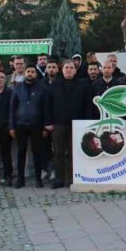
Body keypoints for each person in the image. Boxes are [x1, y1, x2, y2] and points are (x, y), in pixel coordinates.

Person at [46, 60, 87, 189]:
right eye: (66, 67)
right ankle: (59, 178)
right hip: (58, 124)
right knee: (58, 153)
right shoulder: (54, 85)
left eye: (71, 68)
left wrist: (85, 123)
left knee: (73, 152)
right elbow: (47, 105)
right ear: (61, 70)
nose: (69, 70)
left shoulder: (82, 85)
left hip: (76, 125)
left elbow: (86, 106)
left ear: (75, 70)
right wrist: (48, 122)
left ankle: (71, 178)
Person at [9, 64, 49, 188]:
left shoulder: (42, 88)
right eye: (28, 71)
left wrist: (45, 127)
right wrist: (11, 126)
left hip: (36, 125)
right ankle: (20, 179)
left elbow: (45, 109)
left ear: (36, 74)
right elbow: (12, 108)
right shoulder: (18, 88)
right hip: (20, 124)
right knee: (21, 152)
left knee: (37, 152)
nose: (30, 73)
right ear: (25, 73)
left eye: (32, 71)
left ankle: (38, 179)